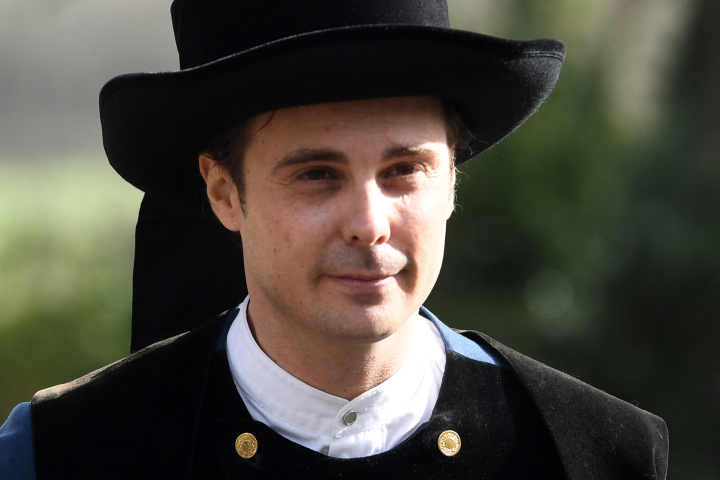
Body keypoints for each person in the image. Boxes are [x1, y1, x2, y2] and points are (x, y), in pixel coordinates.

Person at [0, 0, 669, 478]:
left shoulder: (591, 453)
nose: (370, 222)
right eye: (317, 175)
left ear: (451, 180)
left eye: (405, 169)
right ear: (224, 192)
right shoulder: (59, 454)